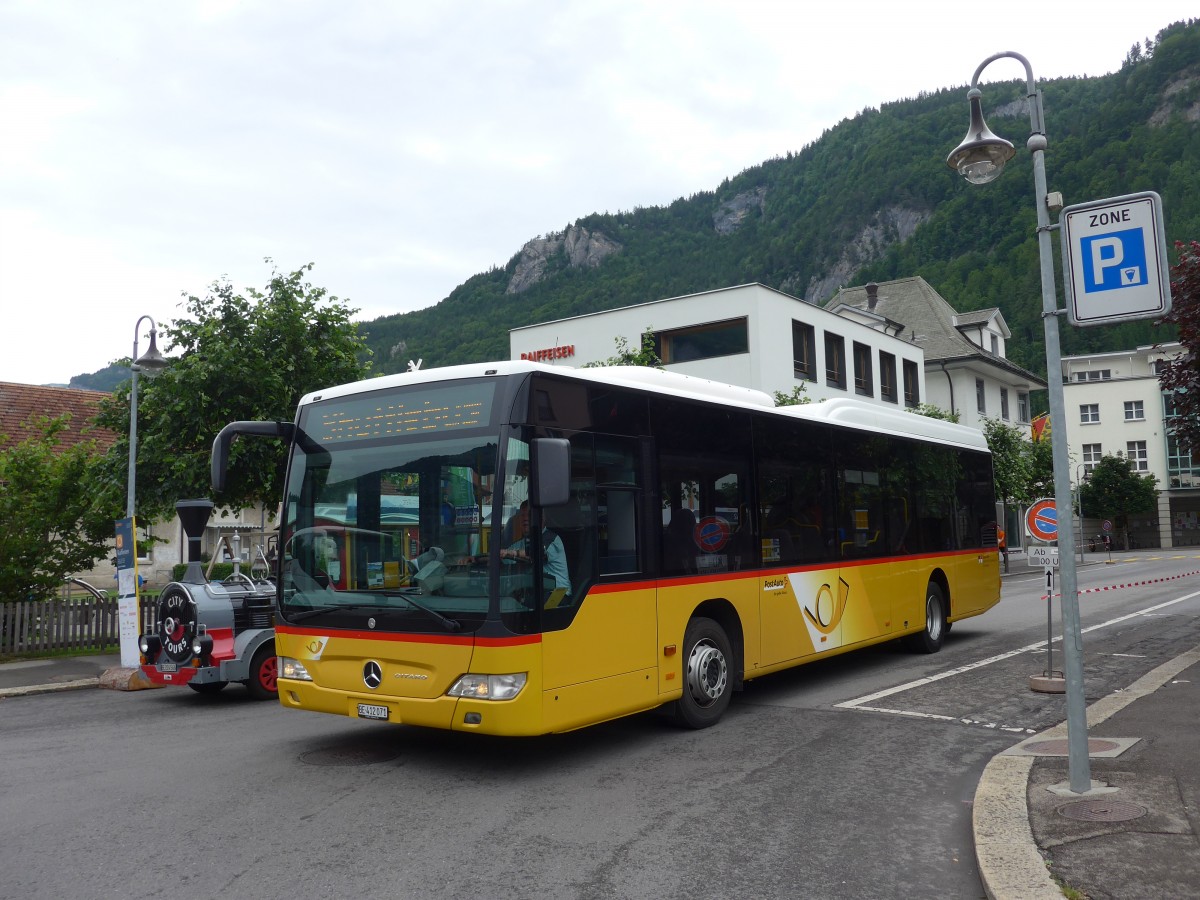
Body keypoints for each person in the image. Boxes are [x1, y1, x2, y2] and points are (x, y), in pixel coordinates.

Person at [500, 502, 571, 598]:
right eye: (522, 515)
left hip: (558, 594)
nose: (525, 519)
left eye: (529, 515)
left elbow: (536, 552)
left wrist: (511, 553)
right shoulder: (522, 542)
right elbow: (502, 556)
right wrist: (479, 559)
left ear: (541, 517)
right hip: (538, 594)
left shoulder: (552, 539)